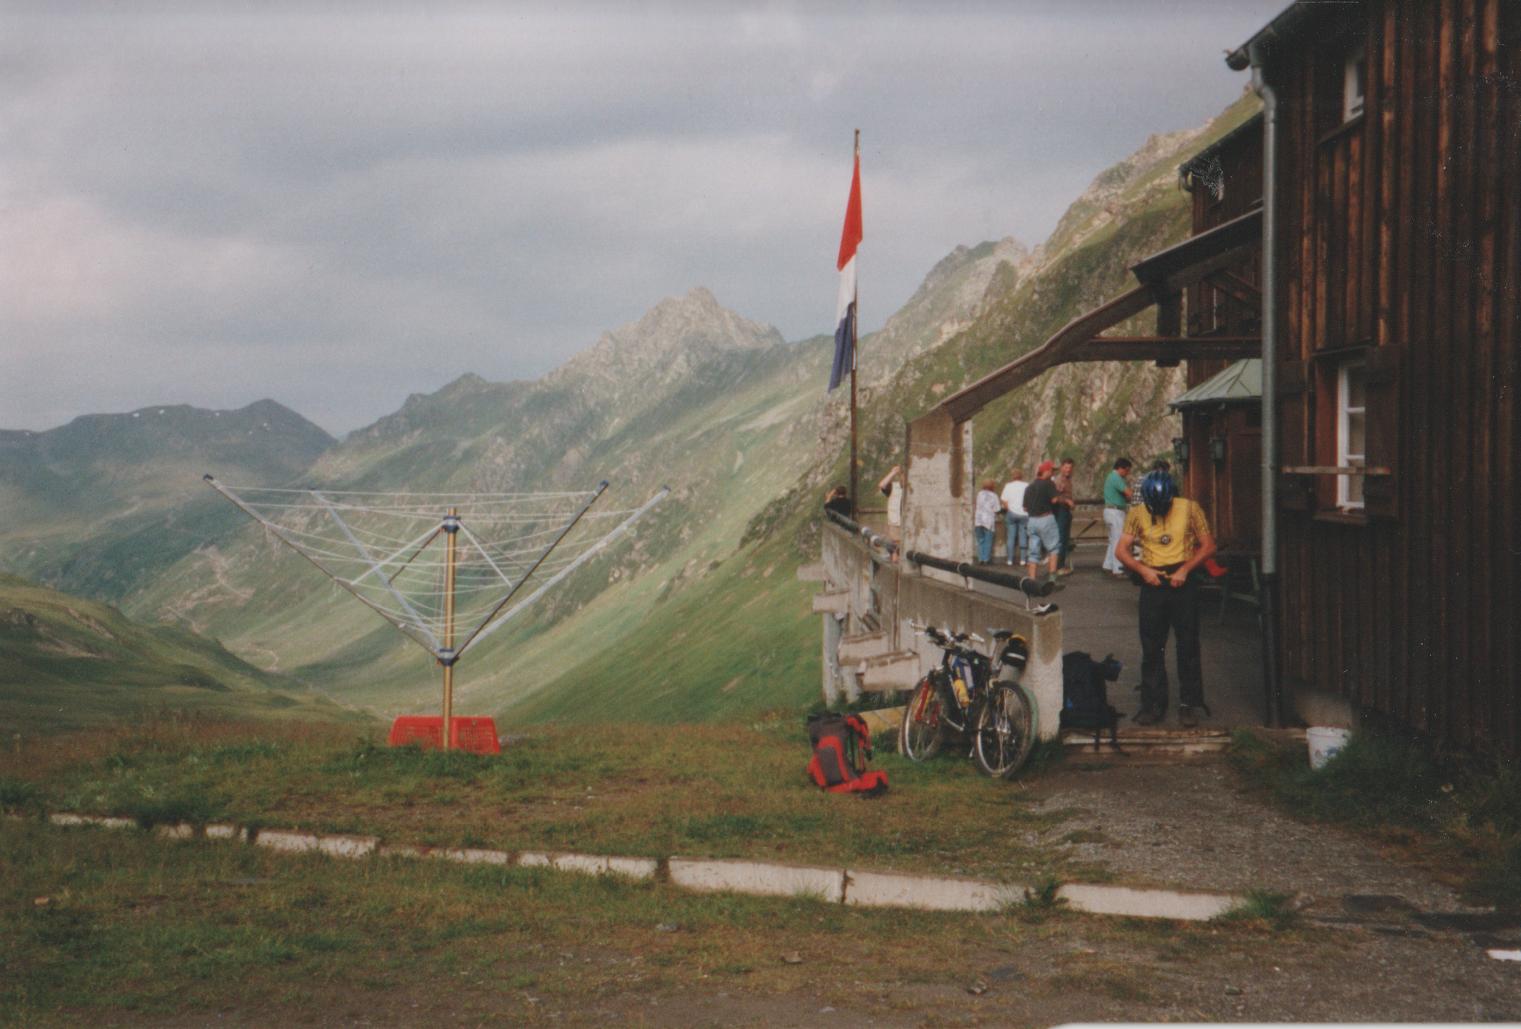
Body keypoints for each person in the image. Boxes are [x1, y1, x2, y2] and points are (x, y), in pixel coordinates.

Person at [1114, 469, 1217, 728]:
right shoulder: (1137, 513)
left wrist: (1185, 569)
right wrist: (1142, 570)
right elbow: (1121, 550)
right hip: (1153, 581)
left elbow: (1208, 545)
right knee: (1152, 646)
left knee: (1188, 644)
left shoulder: (1190, 508)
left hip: (1183, 578)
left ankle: (1188, 704)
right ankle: (1153, 704)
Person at [1022, 461, 1061, 581]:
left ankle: (1032, 579)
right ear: (1047, 471)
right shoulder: (1049, 484)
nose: (1053, 473)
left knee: (1033, 552)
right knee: (1053, 548)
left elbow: (1025, 507)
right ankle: (1052, 579)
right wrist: (1058, 493)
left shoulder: (1029, 487)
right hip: (1046, 518)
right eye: (1052, 470)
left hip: (1032, 521)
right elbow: (1055, 500)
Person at [1100, 457, 1134, 578]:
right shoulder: (1116, 478)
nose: (1127, 474)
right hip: (1115, 512)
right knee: (1118, 541)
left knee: (1112, 540)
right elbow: (1129, 493)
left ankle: (1108, 565)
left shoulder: (1111, 477)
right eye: (1127, 471)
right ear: (1121, 468)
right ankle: (1118, 569)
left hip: (1109, 511)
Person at [1052, 457, 1076, 574]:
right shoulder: (1059, 480)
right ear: (1061, 467)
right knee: (1061, 538)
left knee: (1065, 539)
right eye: (1066, 467)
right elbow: (1054, 497)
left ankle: (1060, 564)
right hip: (1060, 510)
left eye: (1070, 468)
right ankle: (1058, 567)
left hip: (1066, 511)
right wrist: (1067, 501)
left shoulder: (1068, 479)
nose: (1068, 470)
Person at [1000, 468, 1029, 566]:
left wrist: (1009, 509)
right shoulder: (1026, 485)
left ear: (1013, 476)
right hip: (1024, 514)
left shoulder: (1008, 486)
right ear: (1021, 476)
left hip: (1011, 513)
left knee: (1011, 537)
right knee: (1023, 536)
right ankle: (1023, 560)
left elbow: (1003, 500)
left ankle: (1009, 560)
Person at [974, 479, 1001, 563]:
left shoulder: (979, 494)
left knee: (980, 540)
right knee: (988, 541)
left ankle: (980, 558)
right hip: (988, 521)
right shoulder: (994, 495)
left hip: (978, 520)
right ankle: (986, 559)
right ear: (992, 486)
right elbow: (997, 509)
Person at [878, 465, 904, 536]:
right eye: (901, 475)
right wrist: (893, 472)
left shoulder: (911, 488)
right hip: (895, 522)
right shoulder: (894, 486)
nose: (903, 478)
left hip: (908, 523)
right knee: (896, 543)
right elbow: (882, 485)